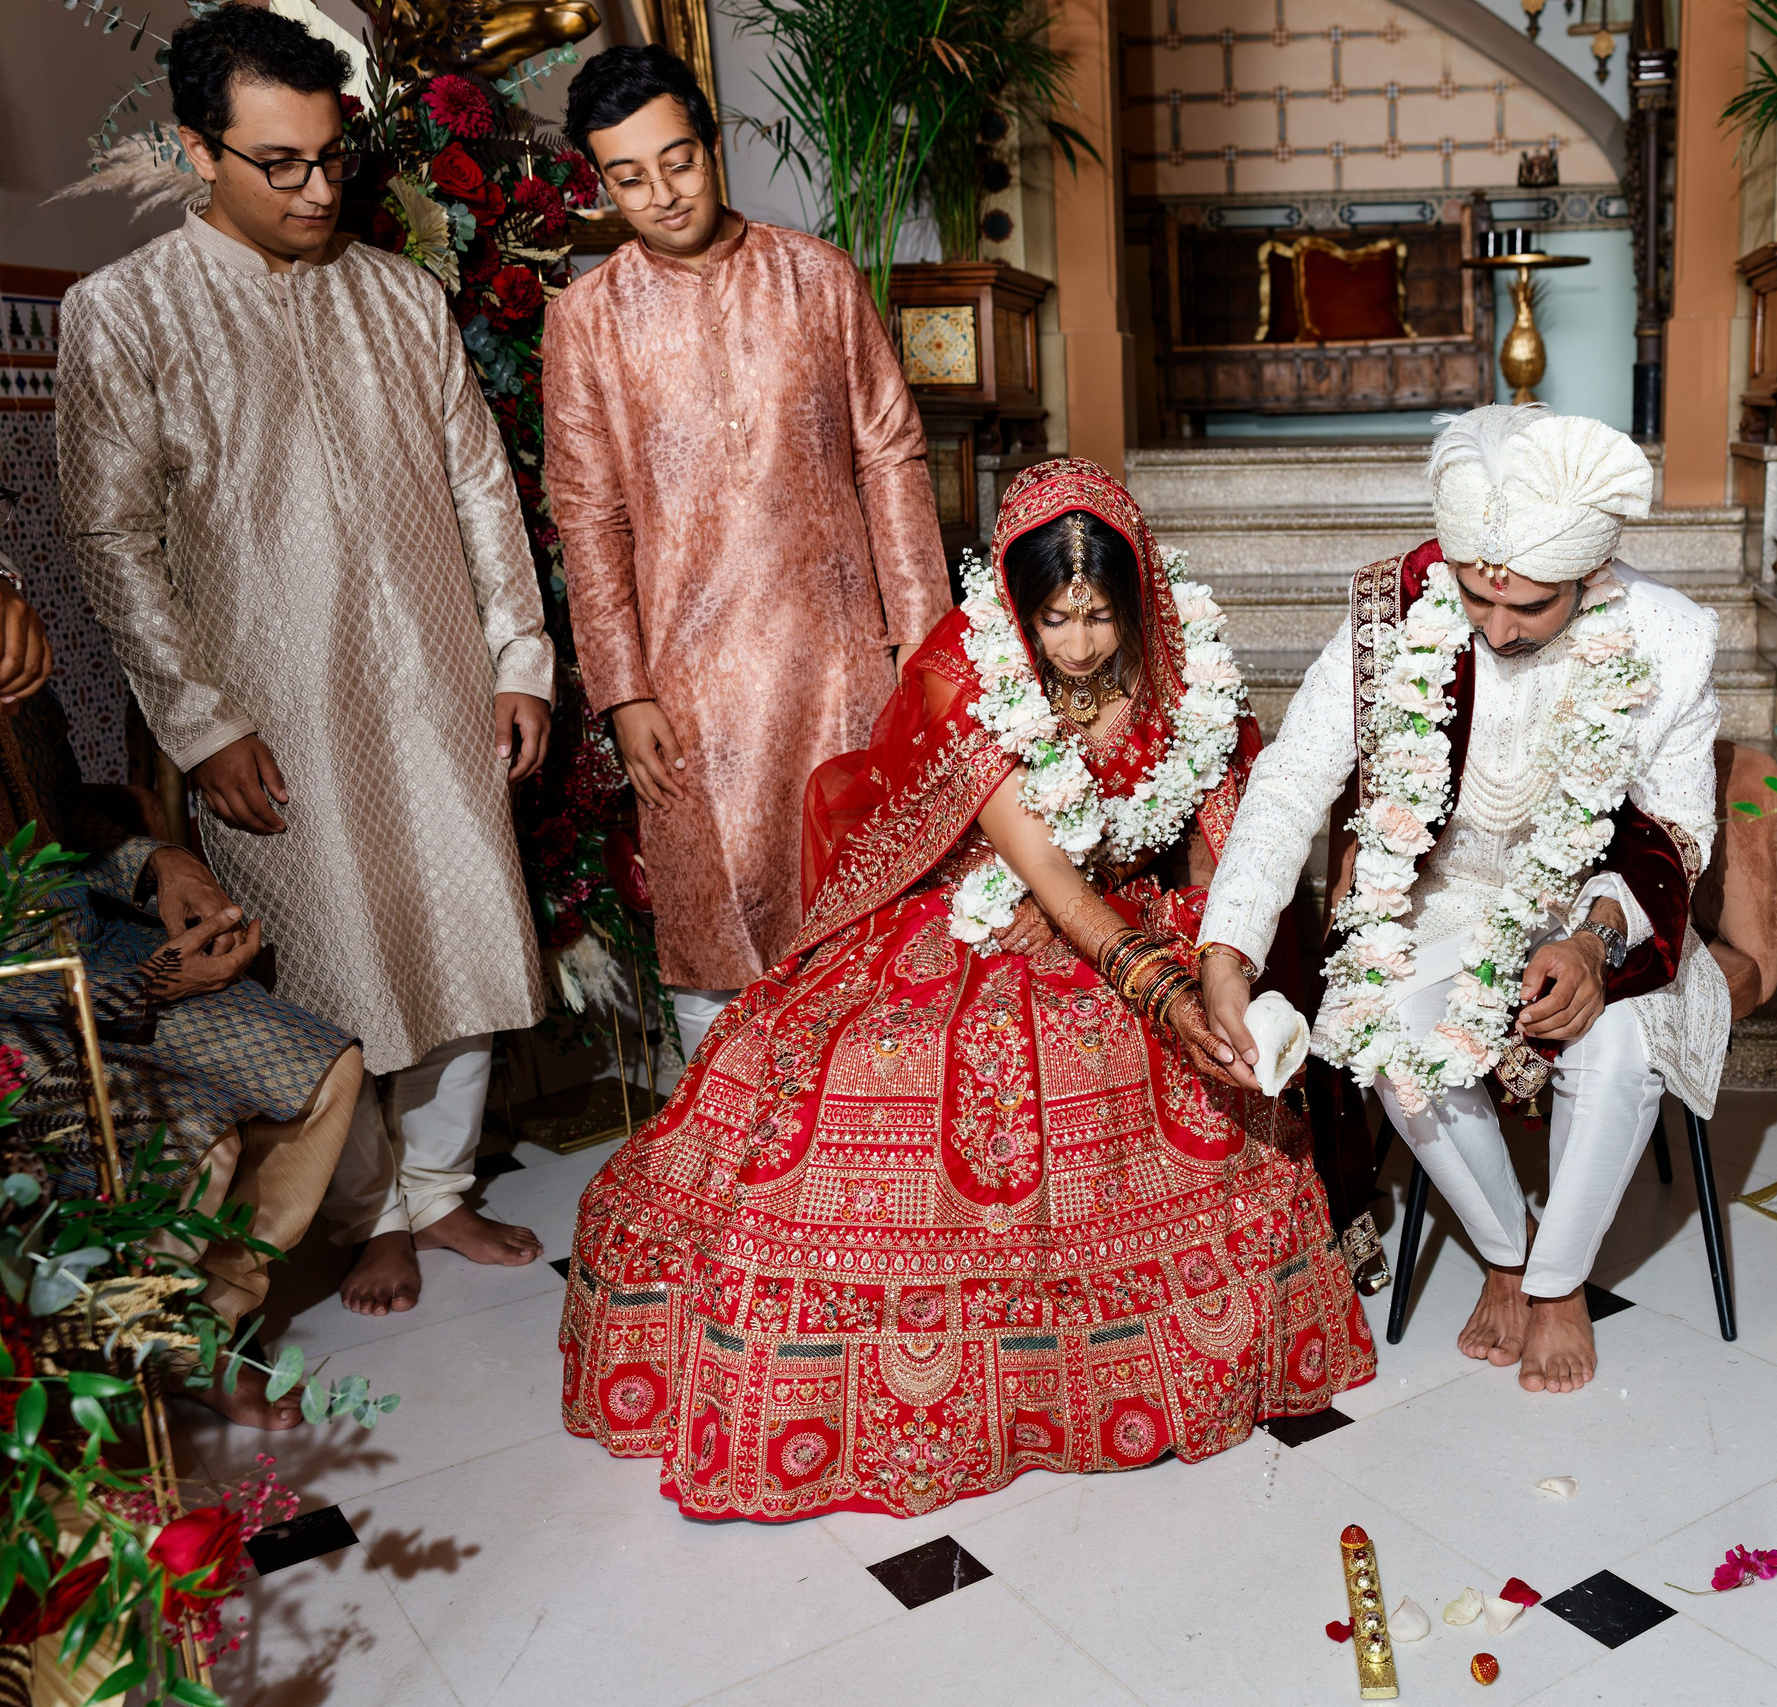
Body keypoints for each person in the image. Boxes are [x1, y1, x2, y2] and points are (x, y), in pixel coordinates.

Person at [560, 459, 1375, 1520]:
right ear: (1016, 610)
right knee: (871, 1065)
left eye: (1099, 617)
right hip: (987, 909)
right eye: (1054, 620)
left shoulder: (1186, 666)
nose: (1078, 646)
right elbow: (1053, 884)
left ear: (1137, 600)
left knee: (1162, 1070)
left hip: (1131, 911)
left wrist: (1215, 963)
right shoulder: (970, 672)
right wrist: (1167, 995)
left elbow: (1223, 850)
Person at [54, 3, 554, 1318]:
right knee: (327, 958)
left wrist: (518, 657)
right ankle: (367, 1213)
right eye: (279, 163)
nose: (319, 189)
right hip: (271, 706)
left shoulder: (400, 294)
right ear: (195, 147)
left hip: (435, 674)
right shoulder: (125, 313)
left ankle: (439, 1188)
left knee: (459, 933)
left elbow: (480, 487)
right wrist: (201, 722)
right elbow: (110, 541)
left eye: (332, 157)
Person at [1197, 405, 1730, 1396]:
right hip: (1439, 896)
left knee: (1616, 1042)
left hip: (1598, 901)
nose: (1496, 627)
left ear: (1588, 572)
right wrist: (1228, 943)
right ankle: (1506, 1253)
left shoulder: (1670, 637)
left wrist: (1595, 940)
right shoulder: (1392, 614)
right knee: (1388, 1026)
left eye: (1529, 605)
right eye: (1477, 596)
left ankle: (1561, 1283)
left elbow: (1679, 832)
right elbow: (1294, 773)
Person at [544, 45, 948, 1062]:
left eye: (677, 161)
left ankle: (868, 1141)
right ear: (601, 184)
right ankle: (727, 1145)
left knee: (867, 913)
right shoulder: (586, 321)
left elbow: (889, 454)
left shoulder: (818, 276)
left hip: (840, 662)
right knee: (713, 930)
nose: (662, 193)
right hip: (688, 684)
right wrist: (623, 692)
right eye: (629, 177)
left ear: (712, 144)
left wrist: (921, 635)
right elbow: (589, 518)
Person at [0, 567, 360, 1430]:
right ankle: (140, 1359)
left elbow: (63, 817)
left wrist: (159, 862)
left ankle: (206, 1332)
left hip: (100, 954)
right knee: (198, 1141)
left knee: (326, 1073)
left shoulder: (11, 638)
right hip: (24, 1014)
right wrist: (155, 983)